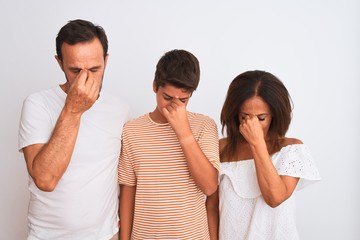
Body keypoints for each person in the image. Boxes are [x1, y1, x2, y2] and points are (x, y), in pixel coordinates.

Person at [18, 19, 130, 240]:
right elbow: (45, 179)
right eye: (75, 70)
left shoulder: (121, 109)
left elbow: (127, 179)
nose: (85, 78)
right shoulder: (37, 104)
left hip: (105, 235)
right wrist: (73, 109)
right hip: (47, 236)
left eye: (95, 69)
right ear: (60, 63)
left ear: (106, 61)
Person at [206, 70, 321, 240]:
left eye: (261, 118)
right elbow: (212, 206)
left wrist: (257, 143)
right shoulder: (220, 148)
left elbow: (274, 198)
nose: (252, 124)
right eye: (245, 116)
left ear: (274, 115)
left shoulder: (292, 150)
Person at [118, 49, 220, 239]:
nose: (175, 106)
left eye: (183, 100)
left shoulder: (204, 126)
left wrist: (184, 132)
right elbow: (128, 190)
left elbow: (209, 187)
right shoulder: (132, 130)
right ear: (155, 85)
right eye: (167, 98)